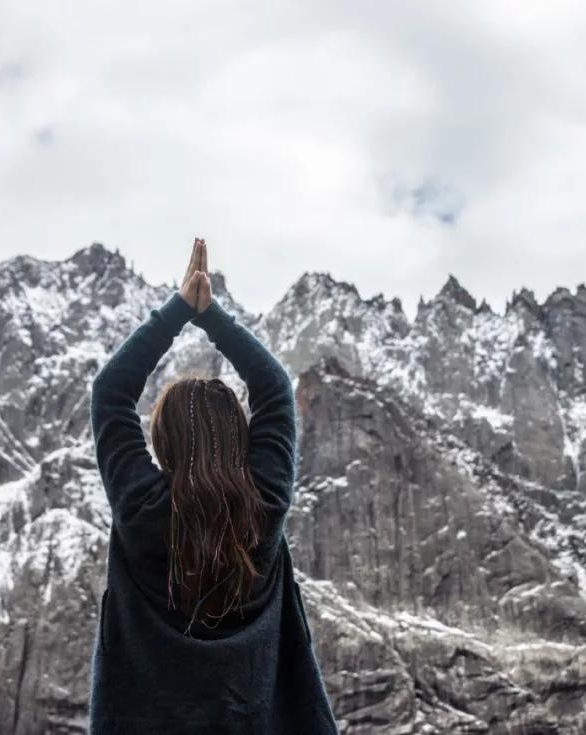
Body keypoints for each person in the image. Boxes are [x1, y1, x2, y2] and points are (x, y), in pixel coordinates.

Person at [87, 238, 339, 733]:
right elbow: (274, 391)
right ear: (241, 437)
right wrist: (211, 317)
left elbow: (110, 392)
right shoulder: (263, 504)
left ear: (163, 442)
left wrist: (178, 309)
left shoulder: (142, 509)